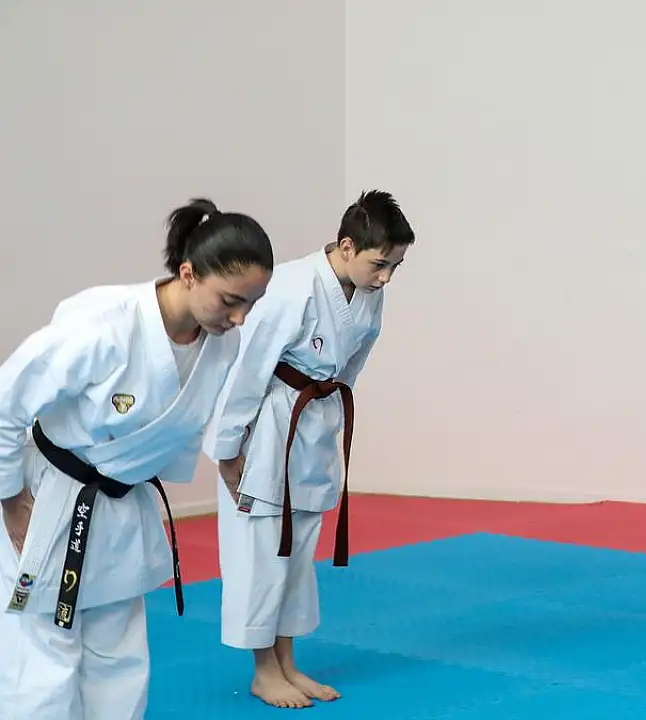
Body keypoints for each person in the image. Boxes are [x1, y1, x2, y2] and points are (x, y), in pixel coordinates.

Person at [0, 198, 275, 720]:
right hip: (49, 497)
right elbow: (6, 404)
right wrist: (11, 499)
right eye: (230, 300)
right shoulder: (103, 324)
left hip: (122, 503)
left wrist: (228, 459)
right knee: (41, 663)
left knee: (119, 658)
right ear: (189, 274)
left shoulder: (222, 344)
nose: (239, 317)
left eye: (251, 303)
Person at [205, 189, 415, 709]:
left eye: (396, 266)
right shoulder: (290, 288)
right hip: (268, 427)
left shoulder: (368, 292)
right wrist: (229, 449)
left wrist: (333, 415)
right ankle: (263, 671)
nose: (386, 277)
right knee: (261, 553)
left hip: (314, 422)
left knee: (296, 554)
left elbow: (353, 363)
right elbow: (245, 370)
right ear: (346, 246)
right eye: (380, 264)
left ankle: (287, 663)